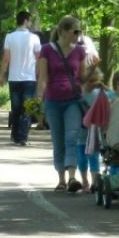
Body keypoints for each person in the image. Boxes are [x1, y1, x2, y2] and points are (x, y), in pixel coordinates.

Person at [36, 15, 90, 193]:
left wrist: (93, 71)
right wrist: (38, 102)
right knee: (58, 140)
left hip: (73, 100)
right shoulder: (47, 50)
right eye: (75, 31)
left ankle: (72, 177)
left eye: (79, 31)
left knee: (71, 138)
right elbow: (43, 78)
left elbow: (82, 78)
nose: (78, 34)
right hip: (53, 101)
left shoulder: (80, 51)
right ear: (63, 32)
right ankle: (61, 179)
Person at [0, 10, 41, 146]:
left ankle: (15, 135)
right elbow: (38, 58)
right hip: (29, 78)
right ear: (25, 21)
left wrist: (2, 75)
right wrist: (39, 74)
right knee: (26, 108)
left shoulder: (9, 37)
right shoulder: (34, 38)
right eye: (30, 20)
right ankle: (22, 137)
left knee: (16, 108)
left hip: (14, 77)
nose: (30, 23)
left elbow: (6, 59)